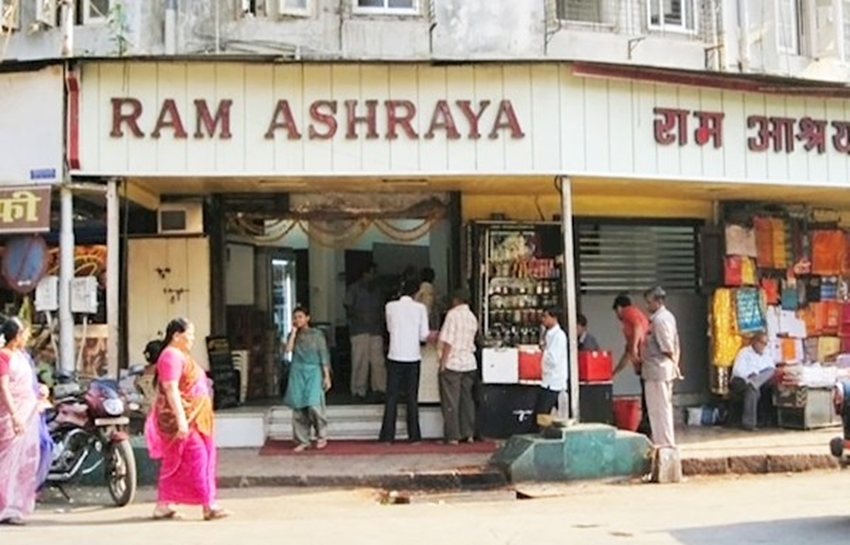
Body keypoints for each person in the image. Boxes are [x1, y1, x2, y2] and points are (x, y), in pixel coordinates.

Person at [145, 318, 229, 521]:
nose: (192, 339)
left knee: (180, 460)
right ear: (176, 335)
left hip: (196, 417)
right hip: (183, 420)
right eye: (189, 334)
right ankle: (209, 505)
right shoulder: (171, 356)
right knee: (197, 457)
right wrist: (182, 420)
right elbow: (171, 389)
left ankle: (163, 505)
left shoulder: (180, 355)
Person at [0, 318, 50, 526]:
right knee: (6, 463)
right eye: (24, 334)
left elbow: (27, 383)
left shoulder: (22, 357)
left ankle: (14, 506)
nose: (26, 338)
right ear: (16, 336)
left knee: (24, 463)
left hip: (28, 413)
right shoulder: (3, 357)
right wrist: (14, 416)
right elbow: (4, 389)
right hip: (11, 416)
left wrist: (40, 389)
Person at [379, 280, 430, 443]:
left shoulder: (390, 306)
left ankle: (387, 436)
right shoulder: (420, 309)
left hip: (395, 354)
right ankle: (414, 436)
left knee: (391, 396)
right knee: (412, 397)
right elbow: (424, 335)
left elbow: (389, 328)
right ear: (416, 293)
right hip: (413, 356)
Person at [283, 307, 332, 452]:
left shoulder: (317, 335)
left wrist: (326, 376)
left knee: (314, 405)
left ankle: (321, 435)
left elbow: (323, 355)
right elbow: (288, 350)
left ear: (307, 318)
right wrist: (293, 333)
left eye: (300, 317)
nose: (297, 320)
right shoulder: (293, 335)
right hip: (297, 371)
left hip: (314, 371)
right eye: (295, 317)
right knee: (298, 407)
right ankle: (302, 440)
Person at [437, 289, 479, 445]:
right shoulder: (472, 317)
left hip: (453, 363)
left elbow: (448, 341)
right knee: (467, 400)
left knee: (451, 401)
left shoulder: (452, 315)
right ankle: (468, 433)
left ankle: (453, 436)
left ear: (456, 300)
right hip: (469, 362)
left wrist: (443, 362)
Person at [642, 287, 682, 447]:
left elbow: (667, 346)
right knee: (656, 409)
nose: (647, 306)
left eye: (649, 302)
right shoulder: (661, 318)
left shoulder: (661, 320)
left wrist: (675, 364)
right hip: (655, 369)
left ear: (658, 301)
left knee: (660, 409)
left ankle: (664, 442)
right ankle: (660, 441)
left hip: (658, 369)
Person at [344, 263, 386, 403]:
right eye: (372, 273)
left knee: (378, 362)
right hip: (359, 329)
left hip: (376, 329)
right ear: (365, 274)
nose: (374, 276)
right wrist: (361, 316)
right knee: (360, 361)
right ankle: (358, 390)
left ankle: (379, 390)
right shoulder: (354, 289)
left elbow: (382, 308)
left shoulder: (378, 290)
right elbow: (348, 307)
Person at [612, 294, 651, 435]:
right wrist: (614, 373)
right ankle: (646, 425)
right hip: (643, 362)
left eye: (616, 311)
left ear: (619, 308)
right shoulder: (629, 324)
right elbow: (627, 354)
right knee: (646, 393)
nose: (617, 315)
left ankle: (647, 425)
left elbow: (637, 327)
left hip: (645, 359)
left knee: (648, 395)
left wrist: (635, 347)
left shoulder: (629, 312)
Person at [730, 332, 776, 431]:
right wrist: (751, 375)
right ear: (754, 341)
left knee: (771, 371)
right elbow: (738, 371)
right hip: (743, 380)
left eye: (765, 343)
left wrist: (758, 377)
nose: (763, 346)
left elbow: (771, 369)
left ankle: (754, 384)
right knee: (752, 390)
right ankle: (749, 424)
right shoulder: (744, 352)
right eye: (761, 342)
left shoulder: (766, 354)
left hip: (759, 381)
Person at [536, 308, 568, 420]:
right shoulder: (547, 334)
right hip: (546, 380)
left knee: (543, 414)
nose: (543, 319)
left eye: (545, 316)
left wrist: (544, 350)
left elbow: (553, 359)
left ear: (554, 318)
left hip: (554, 381)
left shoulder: (559, 336)